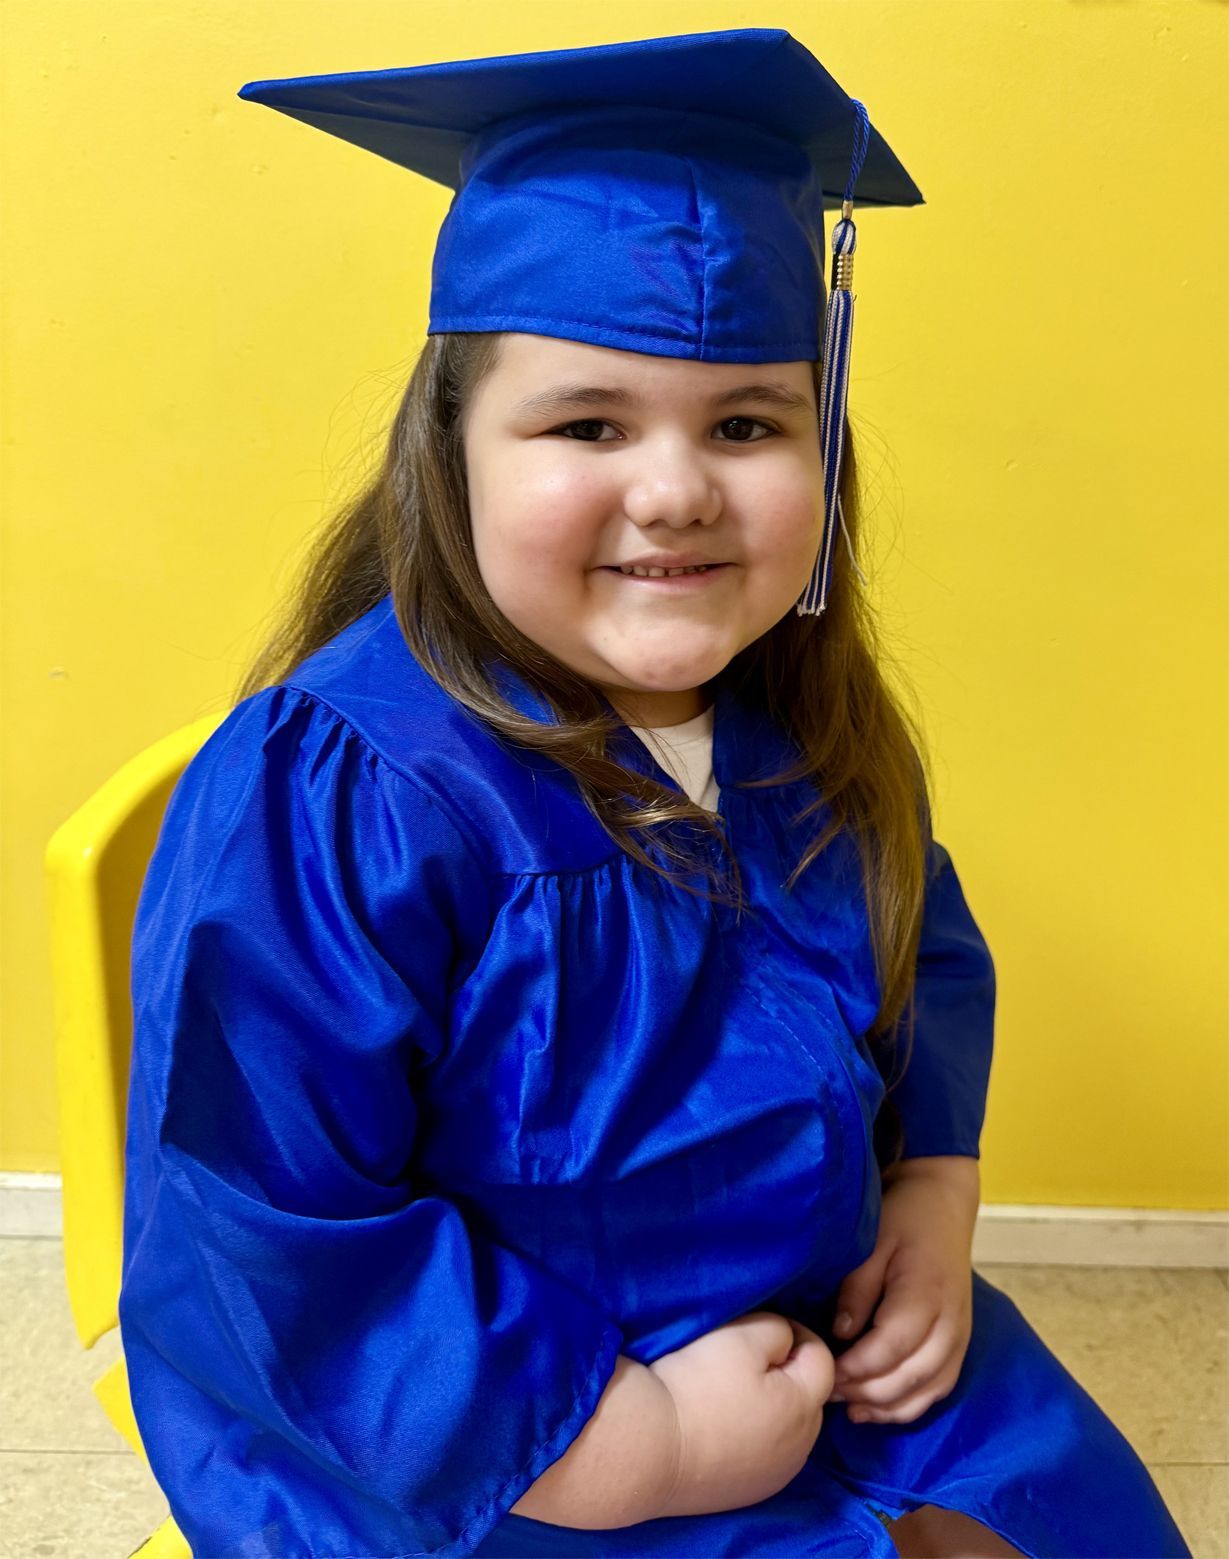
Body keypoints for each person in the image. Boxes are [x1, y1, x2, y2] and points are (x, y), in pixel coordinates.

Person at [118, 27, 1191, 1559]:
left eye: (746, 422)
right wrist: (628, 1443)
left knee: (1045, 1525)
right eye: (586, 423)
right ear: (452, 455)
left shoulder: (787, 729)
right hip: (477, 1427)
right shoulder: (348, 793)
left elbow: (918, 950)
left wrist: (935, 1200)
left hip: (811, 1314)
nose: (677, 488)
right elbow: (261, 1226)